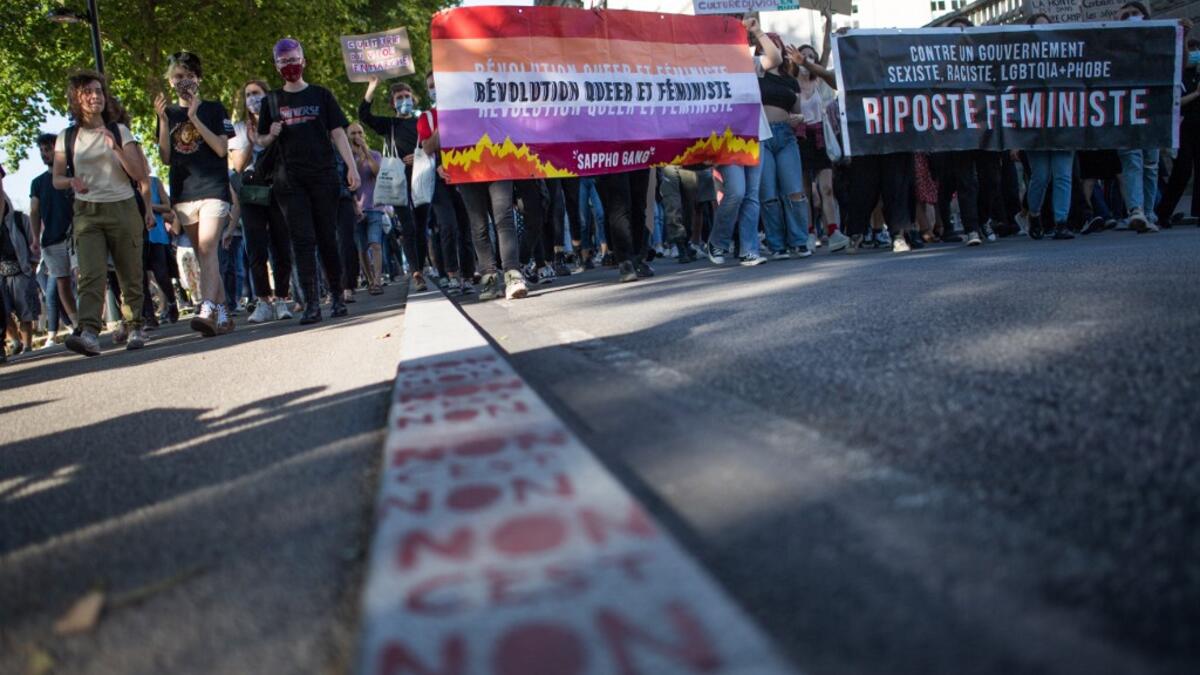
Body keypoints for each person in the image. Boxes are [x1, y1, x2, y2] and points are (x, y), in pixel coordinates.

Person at [256, 37, 360, 324]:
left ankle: (337, 296)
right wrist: (271, 134)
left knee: (328, 237)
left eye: (293, 59)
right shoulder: (271, 101)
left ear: (303, 61)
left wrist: (351, 168)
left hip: (324, 176)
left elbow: (338, 133)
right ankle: (312, 303)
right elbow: (261, 139)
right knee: (302, 241)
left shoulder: (321, 95)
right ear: (276, 66)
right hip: (288, 181)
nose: (289, 65)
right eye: (283, 61)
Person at [53, 70, 153, 356]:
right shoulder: (67, 137)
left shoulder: (120, 131)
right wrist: (71, 181)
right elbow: (56, 178)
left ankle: (134, 325)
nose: (95, 96)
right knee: (91, 273)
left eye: (99, 91)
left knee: (130, 271)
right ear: (76, 98)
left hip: (122, 207)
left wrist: (117, 149)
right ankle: (88, 332)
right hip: (87, 212)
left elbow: (140, 174)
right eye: (88, 92)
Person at [420, 70, 528, 299]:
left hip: (498, 164)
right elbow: (428, 147)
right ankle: (489, 277)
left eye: (439, 84)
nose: (435, 89)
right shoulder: (429, 117)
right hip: (467, 171)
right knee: (478, 225)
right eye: (431, 86)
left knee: (503, 217)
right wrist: (446, 117)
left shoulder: (483, 96)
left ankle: (512, 273)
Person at [154, 51, 237, 336]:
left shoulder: (214, 109)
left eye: (189, 76)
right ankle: (224, 312)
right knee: (204, 256)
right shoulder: (167, 113)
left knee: (207, 247)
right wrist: (163, 121)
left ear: (198, 79)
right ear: (170, 80)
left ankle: (207, 307)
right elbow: (165, 157)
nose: (184, 81)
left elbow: (222, 149)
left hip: (213, 189)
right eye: (178, 76)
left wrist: (195, 117)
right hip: (184, 193)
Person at [230, 78, 294, 324]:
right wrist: (251, 139)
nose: (252, 98)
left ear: (268, 96)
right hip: (252, 191)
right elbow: (237, 166)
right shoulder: (239, 129)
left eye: (256, 93)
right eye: (248, 94)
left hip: (278, 188)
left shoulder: (280, 122)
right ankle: (263, 300)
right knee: (255, 247)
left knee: (281, 246)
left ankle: (281, 299)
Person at [359, 77, 428, 291]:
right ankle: (416, 272)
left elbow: (433, 144)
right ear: (393, 103)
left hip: (421, 175)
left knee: (421, 226)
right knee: (408, 226)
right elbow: (364, 115)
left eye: (407, 96)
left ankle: (422, 267)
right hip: (397, 180)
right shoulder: (389, 125)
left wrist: (419, 156)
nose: (404, 100)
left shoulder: (421, 123)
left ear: (414, 100)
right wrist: (372, 87)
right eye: (399, 97)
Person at [1114, 2, 1160, 233]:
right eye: (1125, 16)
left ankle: (1149, 213)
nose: (1131, 18)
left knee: (1151, 164)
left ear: (1146, 16)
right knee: (1132, 160)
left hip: (1154, 111)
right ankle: (1136, 210)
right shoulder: (1110, 46)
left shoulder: (1160, 40)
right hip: (1126, 112)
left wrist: (1183, 34)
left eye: (1135, 14)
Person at [28, 133, 79, 337]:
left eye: (48, 149)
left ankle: (87, 318)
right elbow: (34, 211)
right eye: (41, 151)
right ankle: (76, 324)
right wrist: (34, 238)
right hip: (50, 239)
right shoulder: (37, 183)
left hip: (75, 235)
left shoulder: (71, 175)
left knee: (83, 275)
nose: (44, 154)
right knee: (62, 282)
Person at [1156, 37, 1200, 226]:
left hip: (1197, 126)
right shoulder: (1177, 78)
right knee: (1182, 171)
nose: (1195, 52)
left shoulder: (1196, 76)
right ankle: (1163, 212)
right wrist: (1196, 94)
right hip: (1182, 128)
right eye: (1191, 49)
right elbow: (1174, 103)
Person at [1, 166, 42, 361]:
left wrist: (33, 265)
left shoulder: (19, 219)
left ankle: (27, 345)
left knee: (26, 311)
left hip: (20, 270)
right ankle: (14, 341)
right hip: (1, 273)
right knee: (4, 311)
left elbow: (34, 242)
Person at [347, 122, 387, 294]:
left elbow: (378, 173)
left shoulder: (375, 154)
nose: (357, 136)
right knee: (362, 248)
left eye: (360, 132)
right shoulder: (346, 158)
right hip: (356, 209)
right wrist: (355, 159)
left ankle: (377, 280)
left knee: (375, 244)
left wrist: (366, 153)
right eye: (353, 133)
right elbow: (350, 179)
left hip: (374, 207)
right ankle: (370, 279)